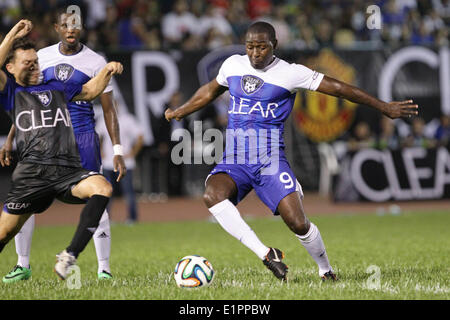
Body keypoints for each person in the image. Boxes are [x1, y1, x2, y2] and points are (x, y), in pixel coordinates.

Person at [165, 21, 419, 281]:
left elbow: (341, 89)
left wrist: (383, 107)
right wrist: (181, 111)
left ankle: (326, 270)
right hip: (236, 160)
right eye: (250, 47)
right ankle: (266, 254)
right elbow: (210, 90)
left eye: (262, 47)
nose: (255, 53)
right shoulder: (232, 65)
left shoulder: (291, 73)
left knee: (298, 223)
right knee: (213, 195)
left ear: (274, 45)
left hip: (270, 162)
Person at [0, 10, 126, 282]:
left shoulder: (71, 76)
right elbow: (18, 93)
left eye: (36, 64)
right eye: (28, 64)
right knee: (12, 223)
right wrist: (12, 35)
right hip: (35, 158)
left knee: (101, 190)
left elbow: (95, 95)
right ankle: (23, 264)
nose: (34, 67)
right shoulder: (24, 76)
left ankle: (89, 263)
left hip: (73, 152)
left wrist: (107, 69)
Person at [96, 102, 144, 224]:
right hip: (108, 162)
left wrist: (133, 153)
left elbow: (140, 137)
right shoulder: (103, 119)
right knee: (107, 192)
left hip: (125, 162)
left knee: (128, 192)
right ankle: (106, 219)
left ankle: (132, 218)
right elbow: (98, 136)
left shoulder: (127, 119)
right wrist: (100, 150)